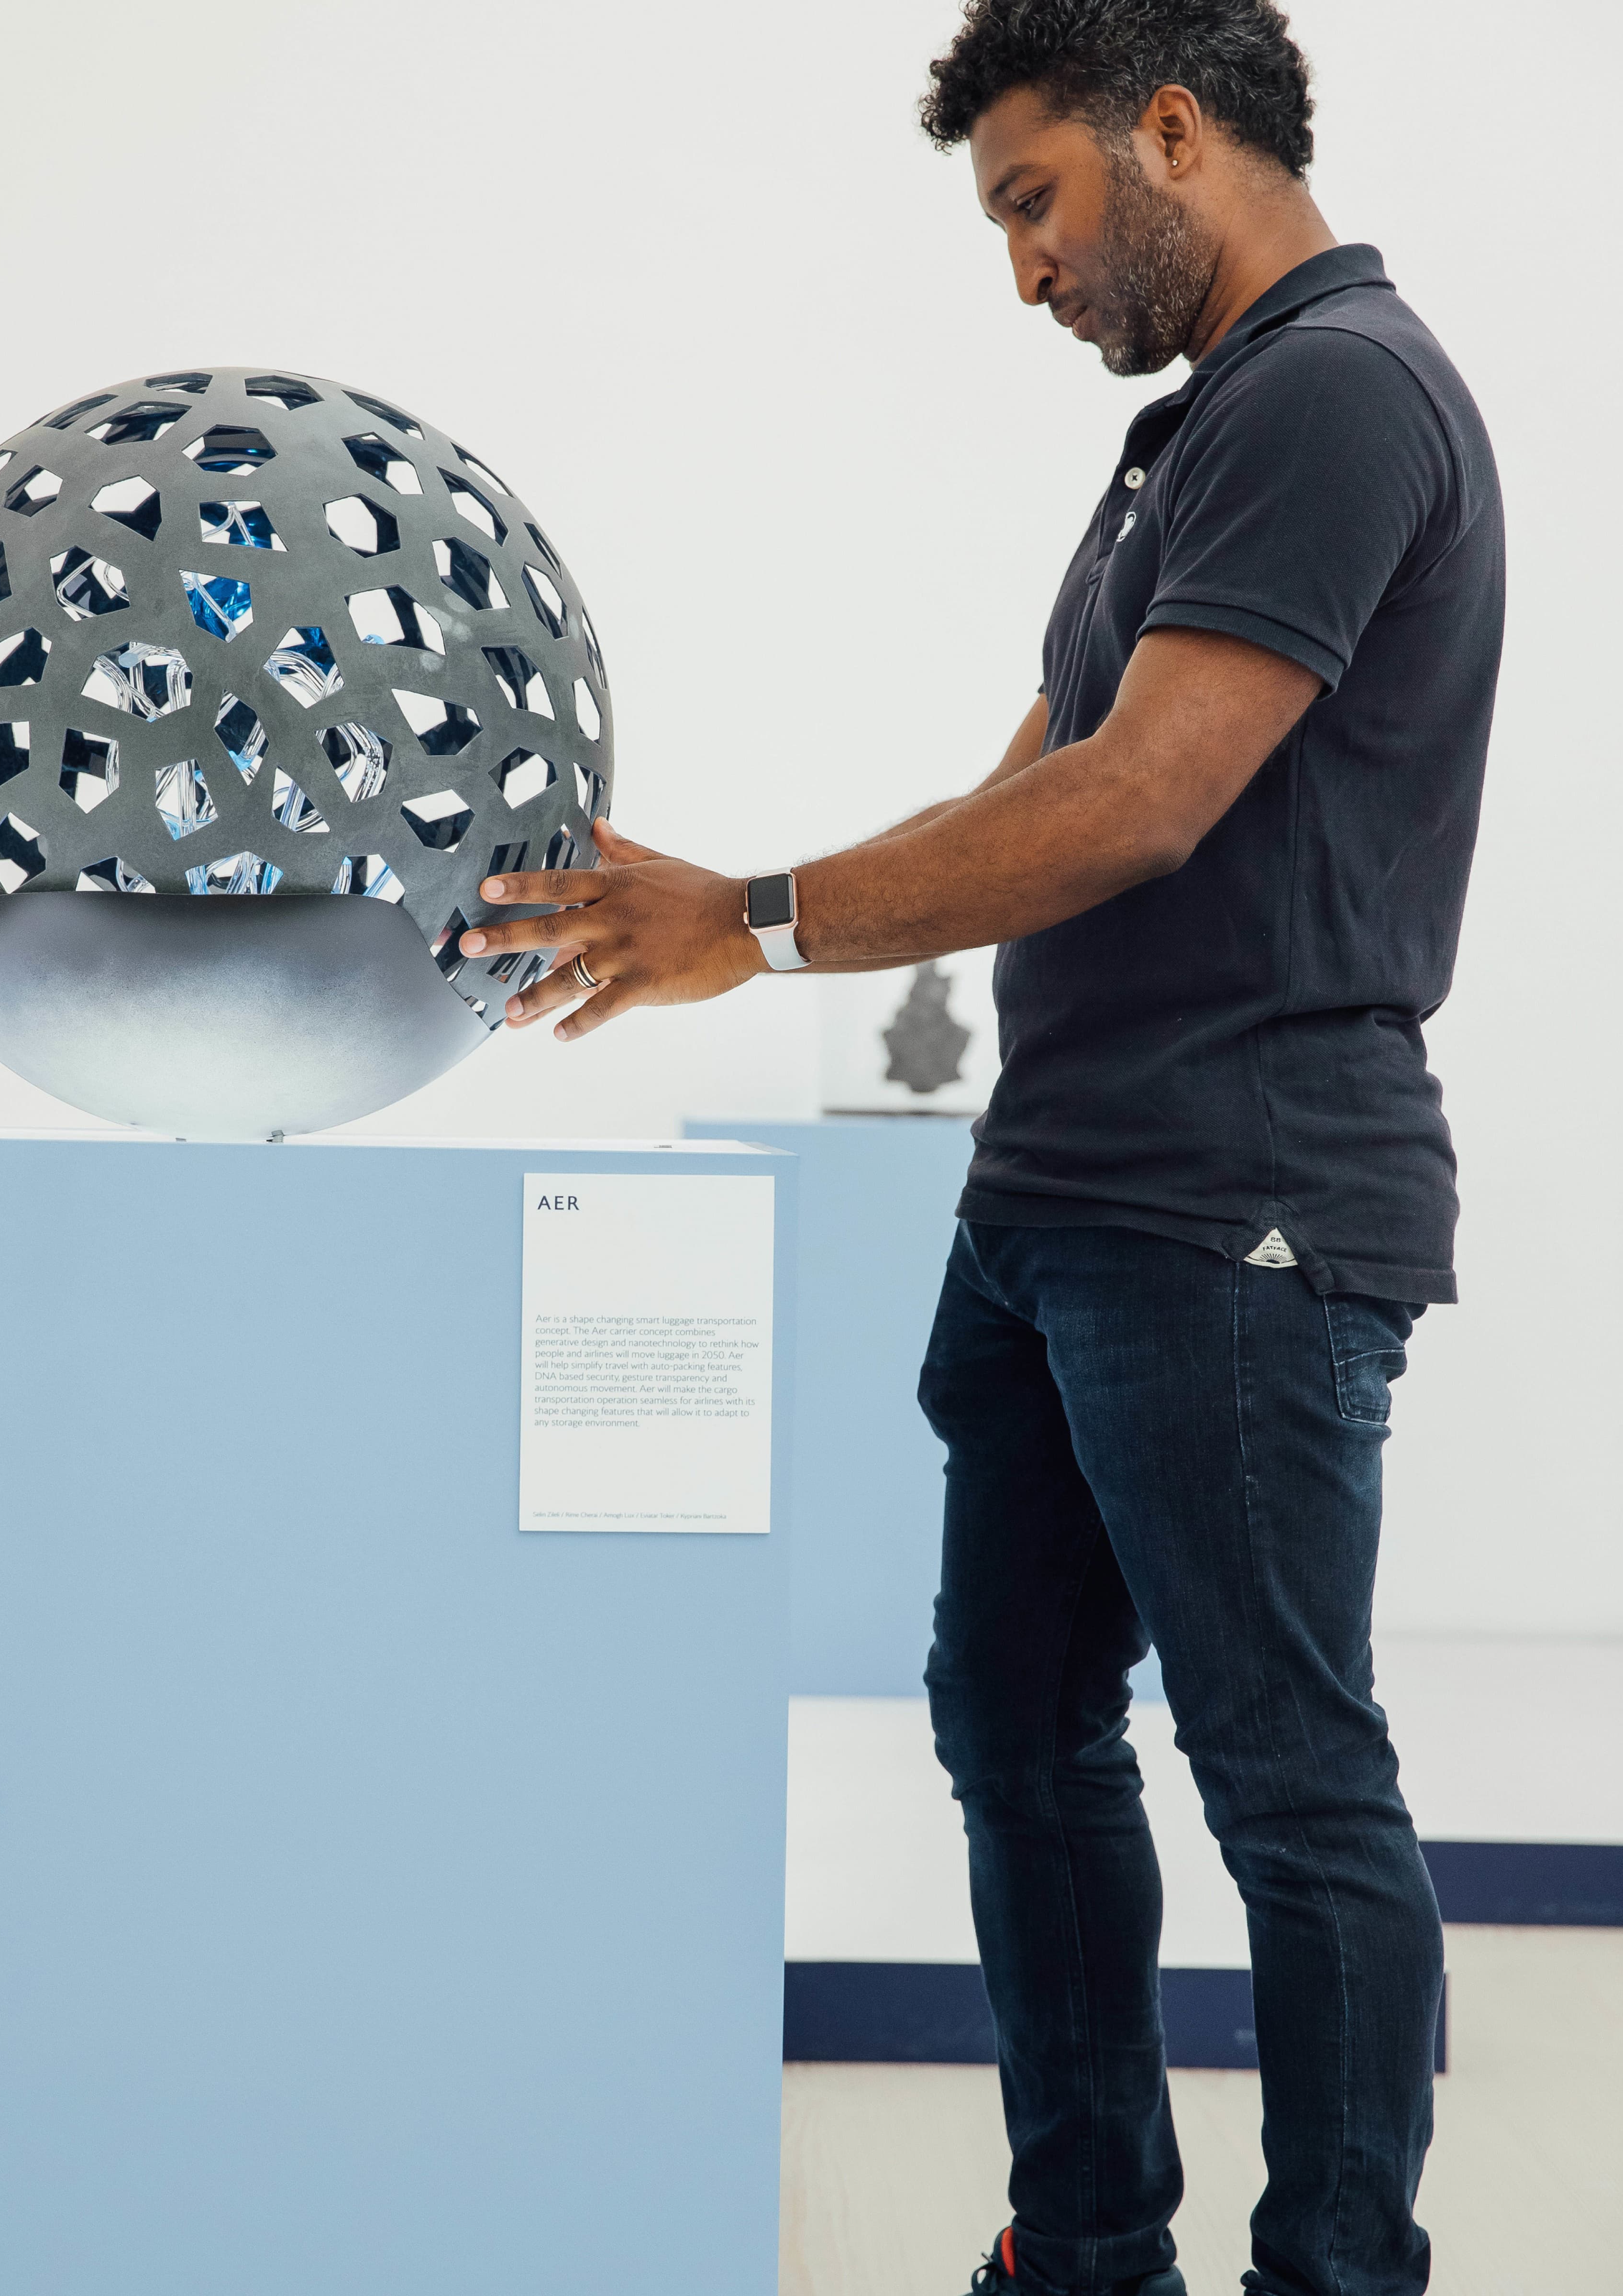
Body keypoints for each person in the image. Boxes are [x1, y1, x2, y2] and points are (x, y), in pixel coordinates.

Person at [457, 0, 1503, 2287]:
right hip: (1066, 1194)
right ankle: (1089, 2247)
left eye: (1034, 202)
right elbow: (1030, 784)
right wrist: (728, 910)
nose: (1022, 268)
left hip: (1235, 1204)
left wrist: (752, 922)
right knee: (1017, 1728)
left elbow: (1141, 803)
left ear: (1172, 129)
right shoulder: (1196, 433)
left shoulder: (1338, 393)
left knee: (1286, 1774)